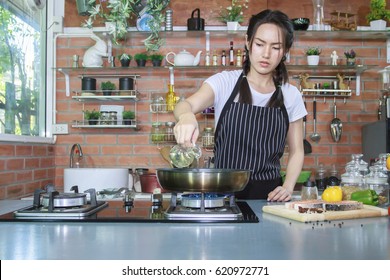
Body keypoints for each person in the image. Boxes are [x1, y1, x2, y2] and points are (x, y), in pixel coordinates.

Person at [173, 9, 307, 201]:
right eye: (260, 44)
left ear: (285, 51)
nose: (266, 54)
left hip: (269, 199)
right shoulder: (224, 82)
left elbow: (297, 151)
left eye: (276, 47)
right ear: (248, 42)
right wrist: (186, 116)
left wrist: (287, 186)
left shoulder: (290, 94)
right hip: (223, 197)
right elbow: (184, 105)